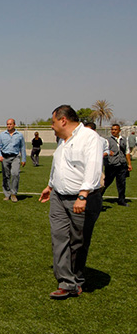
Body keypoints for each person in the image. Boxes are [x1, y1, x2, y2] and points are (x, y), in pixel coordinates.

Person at [39, 105, 103, 299]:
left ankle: (77, 279)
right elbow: (58, 165)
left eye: (53, 122)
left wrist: (83, 195)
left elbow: (93, 167)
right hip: (58, 197)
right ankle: (66, 282)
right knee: (59, 238)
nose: (51, 126)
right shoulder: (63, 141)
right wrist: (50, 186)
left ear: (63, 120)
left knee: (78, 241)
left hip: (83, 198)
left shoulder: (90, 138)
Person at [0, 119, 26, 202]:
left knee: (15, 174)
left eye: (10, 124)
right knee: (6, 176)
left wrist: (23, 159)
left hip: (15, 157)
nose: (9, 125)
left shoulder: (19, 135)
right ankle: (7, 194)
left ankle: (13, 193)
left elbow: (22, 147)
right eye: (7, 124)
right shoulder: (2, 135)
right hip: (5, 157)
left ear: (14, 125)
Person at [103, 124, 132, 206]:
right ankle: (98, 197)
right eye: (112, 129)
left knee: (122, 183)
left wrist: (129, 164)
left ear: (119, 131)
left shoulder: (124, 139)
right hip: (111, 165)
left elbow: (127, 152)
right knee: (106, 182)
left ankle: (121, 200)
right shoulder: (107, 140)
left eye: (115, 130)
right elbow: (105, 150)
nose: (113, 131)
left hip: (122, 164)